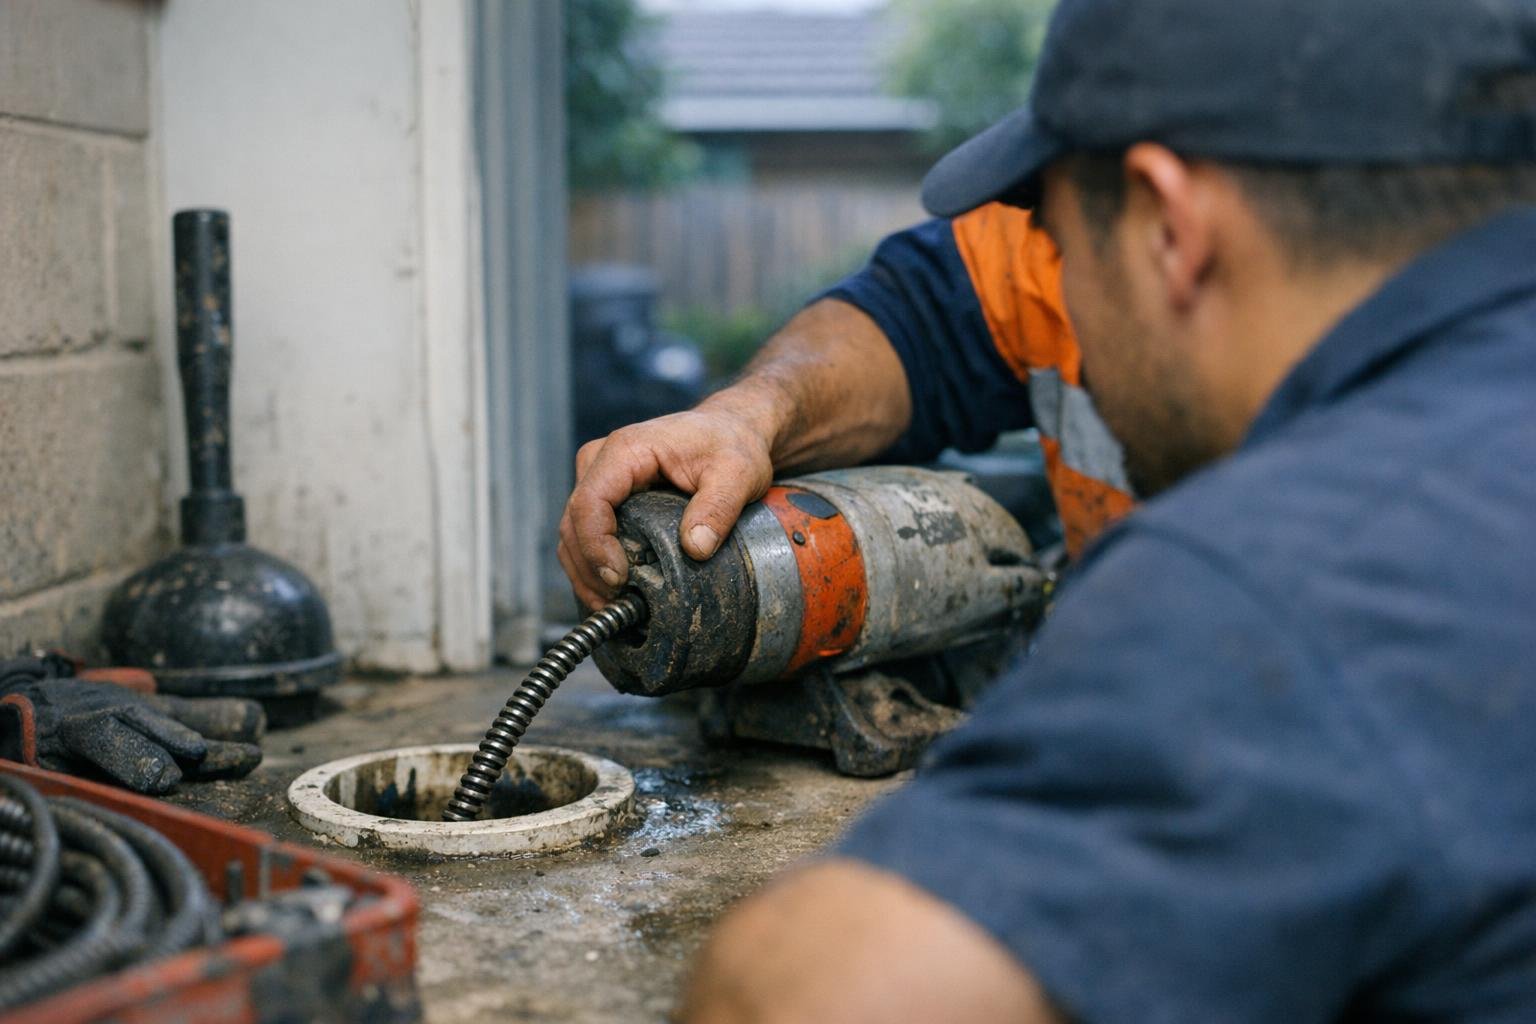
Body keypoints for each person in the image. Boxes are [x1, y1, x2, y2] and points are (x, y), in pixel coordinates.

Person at [570, 0, 1536, 1018]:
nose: (1053, 289)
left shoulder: (1286, 590)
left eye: (1067, 248)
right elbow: (930, 318)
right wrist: (750, 413)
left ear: (1170, 225)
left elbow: (792, 1000)